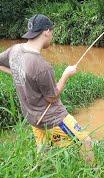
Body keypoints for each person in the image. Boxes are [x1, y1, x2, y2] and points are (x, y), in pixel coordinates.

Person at [0, 14, 94, 163]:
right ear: (46, 32)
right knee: (86, 142)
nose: (52, 36)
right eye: (52, 32)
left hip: (32, 117)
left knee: (43, 150)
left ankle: (40, 170)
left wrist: (16, 72)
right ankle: (94, 173)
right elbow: (52, 97)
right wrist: (66, 75)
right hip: (51, 118)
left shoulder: (15, 50)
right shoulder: (42, 67)